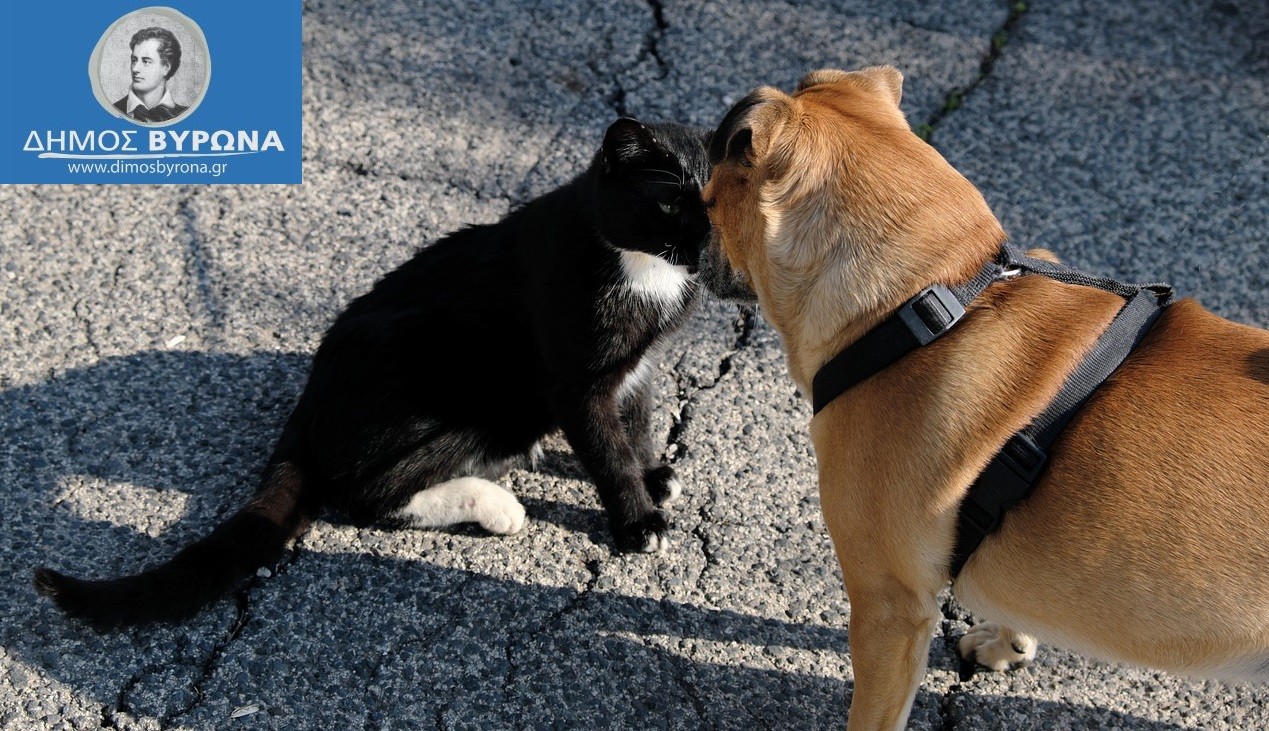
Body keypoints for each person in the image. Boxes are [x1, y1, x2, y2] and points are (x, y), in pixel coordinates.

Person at [112, 27, 188, 124]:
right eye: (134, 60)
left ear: (166, 67)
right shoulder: (112, 111)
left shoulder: (186, 114)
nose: (135, 69)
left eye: (146, 61)